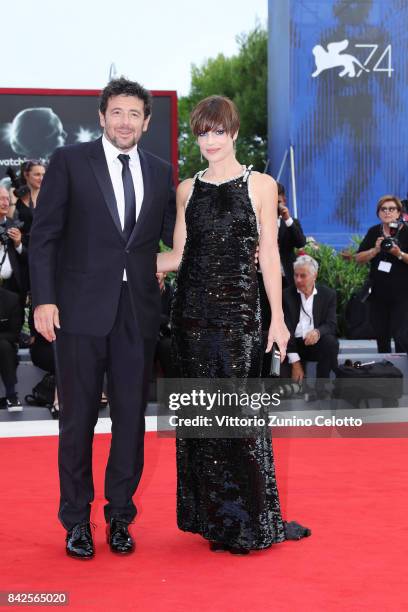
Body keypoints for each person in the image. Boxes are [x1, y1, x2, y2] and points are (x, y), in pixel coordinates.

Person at [29, 78, 176, 559]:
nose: (125, 122)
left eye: (134, 114)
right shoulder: (70, 162)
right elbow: (45, 236)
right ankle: (75, 520)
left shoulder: (160, 172)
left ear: (146, 122)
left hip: (137, 315)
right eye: (117, 112)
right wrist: (44, 300)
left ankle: (119, 517)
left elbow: (170, 242)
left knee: (131, 421)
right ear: (101, 116)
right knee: (77, 420)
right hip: (78, 313)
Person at [157, 95, 310, 554]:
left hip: (241, 315)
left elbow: (268, 255)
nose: (210, 140)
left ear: (235, 133)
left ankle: (249, 520)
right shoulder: (187, 189)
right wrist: (122, 259)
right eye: (202, 132)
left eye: (218, 131)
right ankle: (216, 518)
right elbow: (179, 256)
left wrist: (278, 319)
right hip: (192, 315)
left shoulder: (260, 184)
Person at [355, 195, 408, 354]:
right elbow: (358, 258)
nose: (387, 212)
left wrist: (399, 253)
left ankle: (403, 374)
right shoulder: (374, 232)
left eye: (392, 209)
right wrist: (375, 250)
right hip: (378, 293)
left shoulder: (406, 232)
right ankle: (385, 371)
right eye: (383, 209)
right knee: (381, 334)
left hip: (402, 294)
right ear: (378, 213)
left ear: (399, 213)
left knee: (401, 335)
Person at [282, 255, 339, 398]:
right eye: (296, 275)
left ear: (315, 276)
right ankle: (300, 387)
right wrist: (295, 362)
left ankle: (321, 386)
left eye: (303, 276)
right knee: (283, 381)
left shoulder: (328, 294)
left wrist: (318, 332)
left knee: (330, 342)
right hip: (292, 345)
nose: (298, 280)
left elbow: (331, 324)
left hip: (314, 343)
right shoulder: (286, 296)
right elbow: (285, 330)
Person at [0, 186, 28, 314]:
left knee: (13, 329)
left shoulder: (14, 225)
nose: (5, 203)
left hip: (12, 288)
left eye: (7, 199)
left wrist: (18, 244)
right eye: (1, 199)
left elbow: (27, 259)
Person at [0, 286, 23, 411]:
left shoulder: (11, 298)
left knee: (4, 346)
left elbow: (14, 334)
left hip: (4, 346)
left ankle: (11, 394)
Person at [14, 161, 46, 245]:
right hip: (20, 249)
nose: (41, 178)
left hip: (45, 249)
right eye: (37, 174)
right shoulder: (15, 199)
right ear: (26, 175)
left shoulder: (50, 198)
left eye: (43, 175)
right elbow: (8, 225)